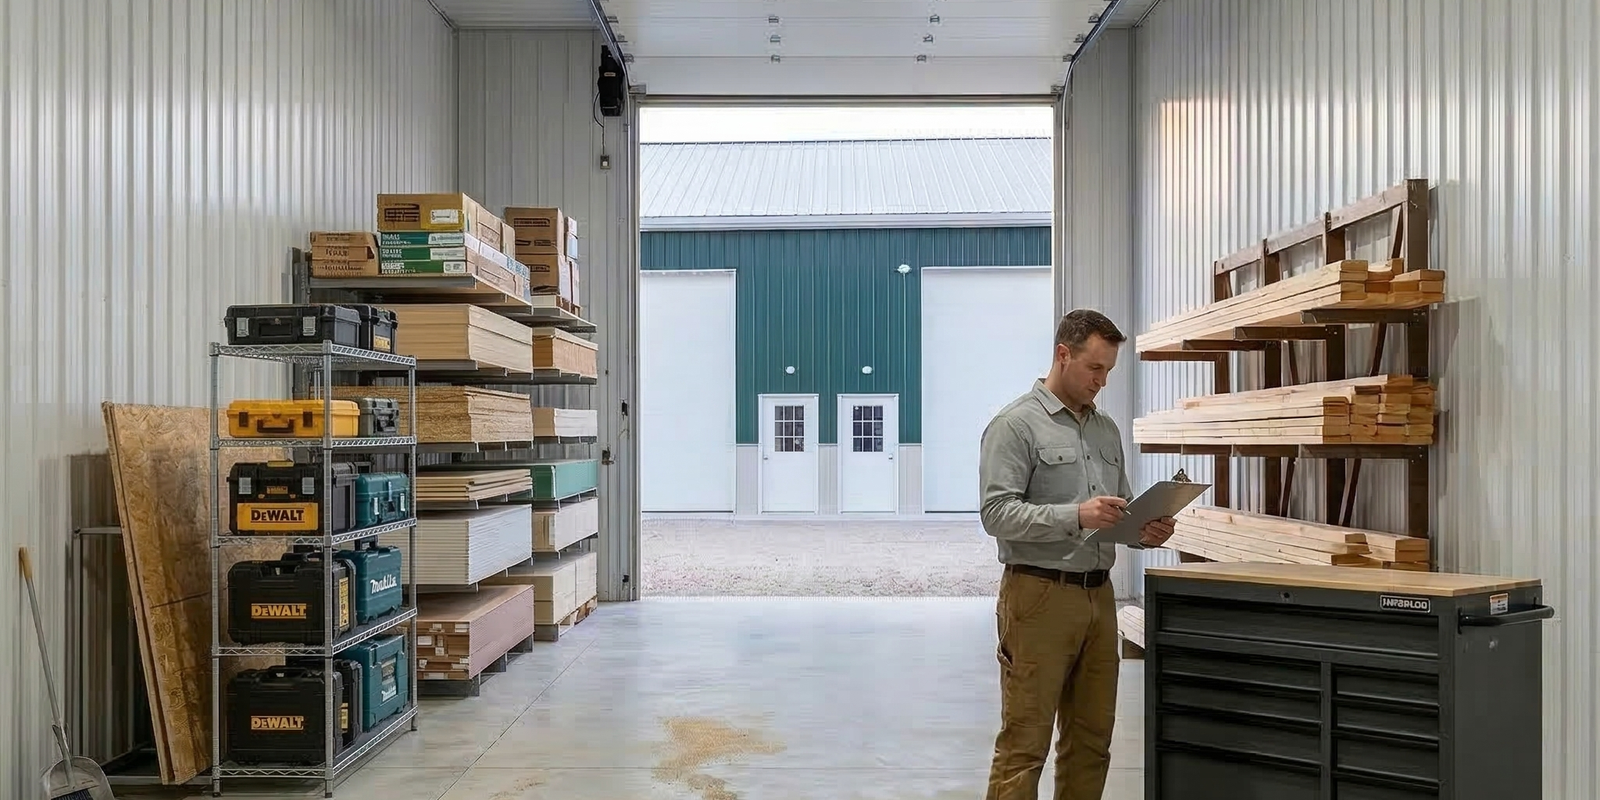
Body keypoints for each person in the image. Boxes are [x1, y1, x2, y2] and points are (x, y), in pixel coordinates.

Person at [977, 308, 1176, 800]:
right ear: (1063, 355)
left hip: (1098, 600)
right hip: (1038, 597)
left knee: (1091, 743)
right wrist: (1077, 515)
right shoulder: (1015, 425)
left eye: (1108, 370)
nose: (1101, 381)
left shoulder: (1105, 430)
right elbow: (996, 514)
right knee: (1025, 745)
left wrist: (1143, 531)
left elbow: (1118, 510)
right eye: (1094, 368)